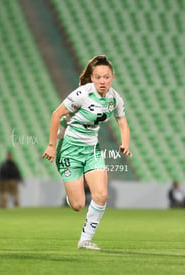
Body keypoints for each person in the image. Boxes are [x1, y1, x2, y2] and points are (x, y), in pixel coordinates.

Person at [42, 55, 132, 250]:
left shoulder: (114, 99)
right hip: (69, 150)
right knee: (77, 205)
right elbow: (56, 114)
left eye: (106, 77)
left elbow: (123, 124)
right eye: (98, 77)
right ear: (92, 78)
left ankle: (85, 240)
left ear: (112, 77)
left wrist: (125, 143)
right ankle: (72, 190)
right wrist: (51, 145)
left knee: (101, 195)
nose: (102, 81)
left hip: (92, 150)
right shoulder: (81, 94)